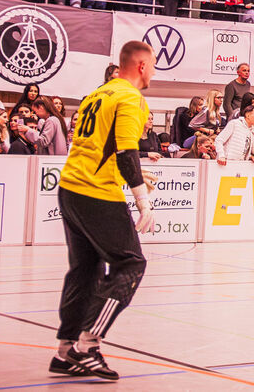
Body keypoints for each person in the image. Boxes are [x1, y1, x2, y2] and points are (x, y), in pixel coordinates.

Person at [51, 41, 157, 380]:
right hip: (96, 193)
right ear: (141, 66)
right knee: (131, 263)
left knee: (85, 270)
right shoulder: (131, 98)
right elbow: (126, 153)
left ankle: (65, 351)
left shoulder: (99, 94)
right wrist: (142, 199)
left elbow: (100, 147)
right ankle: (88, 345)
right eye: (153, 66)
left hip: (70, 188)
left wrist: (140, 175)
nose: (153, 72)